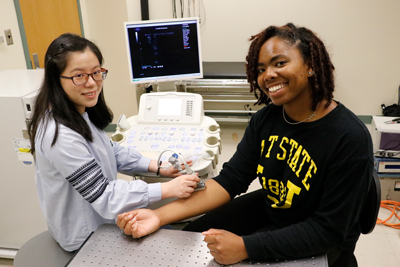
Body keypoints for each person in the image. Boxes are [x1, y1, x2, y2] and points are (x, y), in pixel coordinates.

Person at [116, 23, 373, 267]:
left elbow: (328, 230)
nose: (268, 75)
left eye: (280, 63)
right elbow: (230, 181)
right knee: (192, 235)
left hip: (323, 238)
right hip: (275, 209)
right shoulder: (266, 120)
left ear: (310, 66)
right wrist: (158, 216)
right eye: (261, 69)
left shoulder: (349, 136)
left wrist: (246, 247)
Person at [28, 33, 200, 252]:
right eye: (78, 76)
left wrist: (158, 168)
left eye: (96, 73)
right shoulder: (59, 134)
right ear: (56, 79)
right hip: (86, 237)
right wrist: (166, 190)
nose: (91, 83)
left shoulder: (80, 113)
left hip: (103, 220)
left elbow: (110, 150)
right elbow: (104, 196)